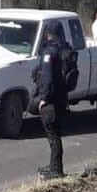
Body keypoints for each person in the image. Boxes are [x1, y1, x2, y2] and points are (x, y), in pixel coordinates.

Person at [34, 22, 69, 180]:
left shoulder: (49, 52)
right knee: (55, 133)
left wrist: (43, 98)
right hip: (62, 98)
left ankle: (56, 170)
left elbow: (47, 78)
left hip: (51, 101)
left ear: (49, 33)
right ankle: (54, 165)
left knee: (53, 135)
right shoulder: (65, 50)